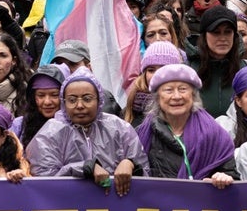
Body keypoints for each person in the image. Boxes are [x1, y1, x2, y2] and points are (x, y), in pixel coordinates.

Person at [26, 67, 148, 196]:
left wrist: (131, 163)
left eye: (87, 99)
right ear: (63, 102)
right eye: (72, 100)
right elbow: (43, 181)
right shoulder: (50, 133)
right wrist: (84, 168)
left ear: (99, 100)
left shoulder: (120, 128)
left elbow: (147, 176)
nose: (79, 105)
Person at [136, 64, 237, 187]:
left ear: (193, 95)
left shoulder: (214, 133)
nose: (177, 96)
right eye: (169, 90)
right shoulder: (143, 134)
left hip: (201, 204)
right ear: (157, 98)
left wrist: (224, 177)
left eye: (183, 89)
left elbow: (232, 175)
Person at [187, 6, 247, 118]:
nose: (223, 38)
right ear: (204, 36)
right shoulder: (186, 70)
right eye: (216, 32)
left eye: (228, 32)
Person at [10, 64, 68, 149]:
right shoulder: (19, 126)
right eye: (41, 95)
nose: (47, 102)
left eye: (54, 95)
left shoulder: (72, 126)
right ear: (33, 98)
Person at [125, 41, 183, 126]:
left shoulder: (187, 109)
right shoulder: (130, 109)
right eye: (151, 70)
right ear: (144, 74)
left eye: (164, 68)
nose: (156, 75)